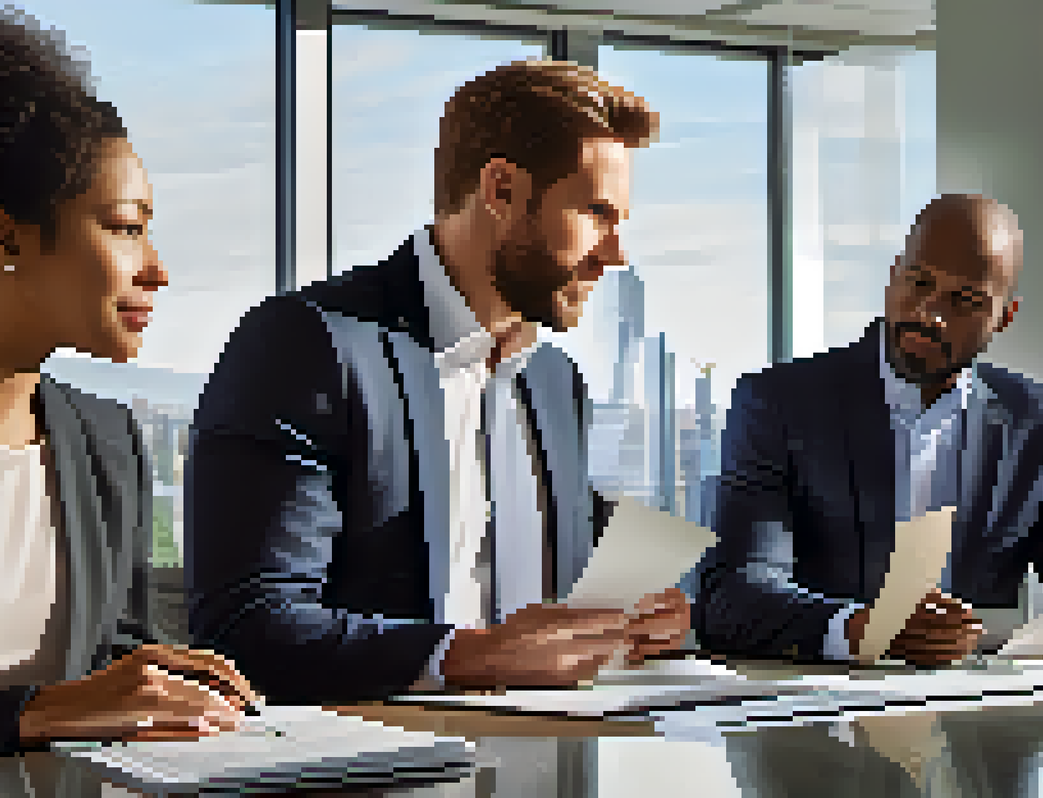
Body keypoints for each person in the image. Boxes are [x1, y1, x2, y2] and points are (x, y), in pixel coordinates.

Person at [186, 59, 689, 703]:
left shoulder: (556, 382)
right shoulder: (310, 343)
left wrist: (638, 618)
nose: (615, 253)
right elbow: (245, 629)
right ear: (501, 189)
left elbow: (556, 599)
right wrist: (471, 656)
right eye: (596, 213)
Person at [0, 3, 260, 782]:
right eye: (122, 227)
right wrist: (35, 712)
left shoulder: (106, 440)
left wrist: (159, 687)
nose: (158, 268)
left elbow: (104, 670)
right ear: (2, 237)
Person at [696, 194, 1043, 666]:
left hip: (979, 724)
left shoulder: (1039, 421)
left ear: (1005, 317)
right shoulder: (778, 404)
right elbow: (730, 598)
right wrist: (859, 630)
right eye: (918, 282)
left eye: (964, 300)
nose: (929, 313)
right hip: (821, 719)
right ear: (893, 275)